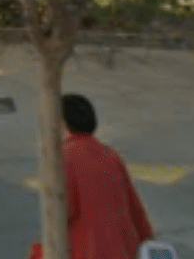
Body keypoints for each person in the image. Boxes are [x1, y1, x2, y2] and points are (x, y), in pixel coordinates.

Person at [30, 93, 156, 259]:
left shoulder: (62, 159)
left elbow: (60, 217)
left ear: (61, 123)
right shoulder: (111, 155)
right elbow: (136, 212)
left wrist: (37, 254)